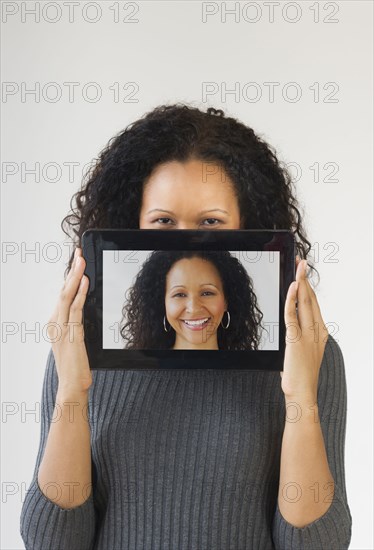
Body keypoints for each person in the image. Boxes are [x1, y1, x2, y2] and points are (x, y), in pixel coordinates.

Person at [20, 104, 352, 549]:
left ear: (248, 226)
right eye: (163, 222)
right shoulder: (76, 350)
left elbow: (316, 545)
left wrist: (299, 399)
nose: (184, 239)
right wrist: (73, 392)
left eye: (211, 222)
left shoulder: (312, 355)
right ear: (131, 223)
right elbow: (54, 542)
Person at [120, 249, 264, 350]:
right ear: (162, 303)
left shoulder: (266, 374)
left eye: (207, 293)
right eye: (180, 294)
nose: (194, 308)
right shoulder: (125, 372)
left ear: (227, 300)